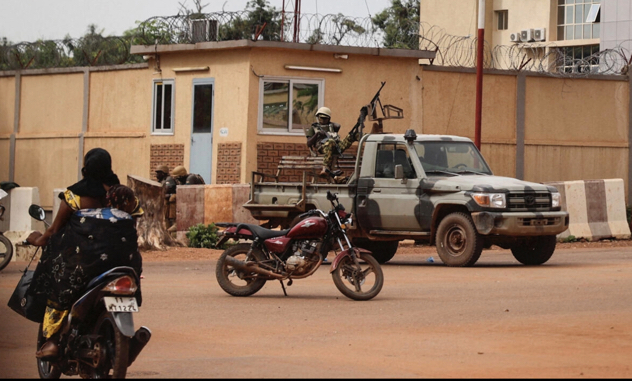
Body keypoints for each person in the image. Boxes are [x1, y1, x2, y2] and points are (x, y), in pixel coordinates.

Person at [26, 148, 143, 359]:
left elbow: (53, 232)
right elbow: (132, 225)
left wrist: (35, 238)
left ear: (86, 167)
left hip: (84, 263)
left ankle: (52, 342)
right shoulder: (123, 196)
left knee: (59, 285)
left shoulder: (75, 195)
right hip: (125, 261)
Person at [305, 107, 360, 178]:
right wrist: (317, 134)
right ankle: (325, 168)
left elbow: (338, 125)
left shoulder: (332, 126)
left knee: (352, 135)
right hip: (323, 147)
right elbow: (308, 143)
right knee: (330, 142)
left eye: (325, 118)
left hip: (336, 146)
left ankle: (368, 137)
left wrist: (329, 125)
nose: (322, 120)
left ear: (328, 119)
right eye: (320, 118)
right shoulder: (314, 127)